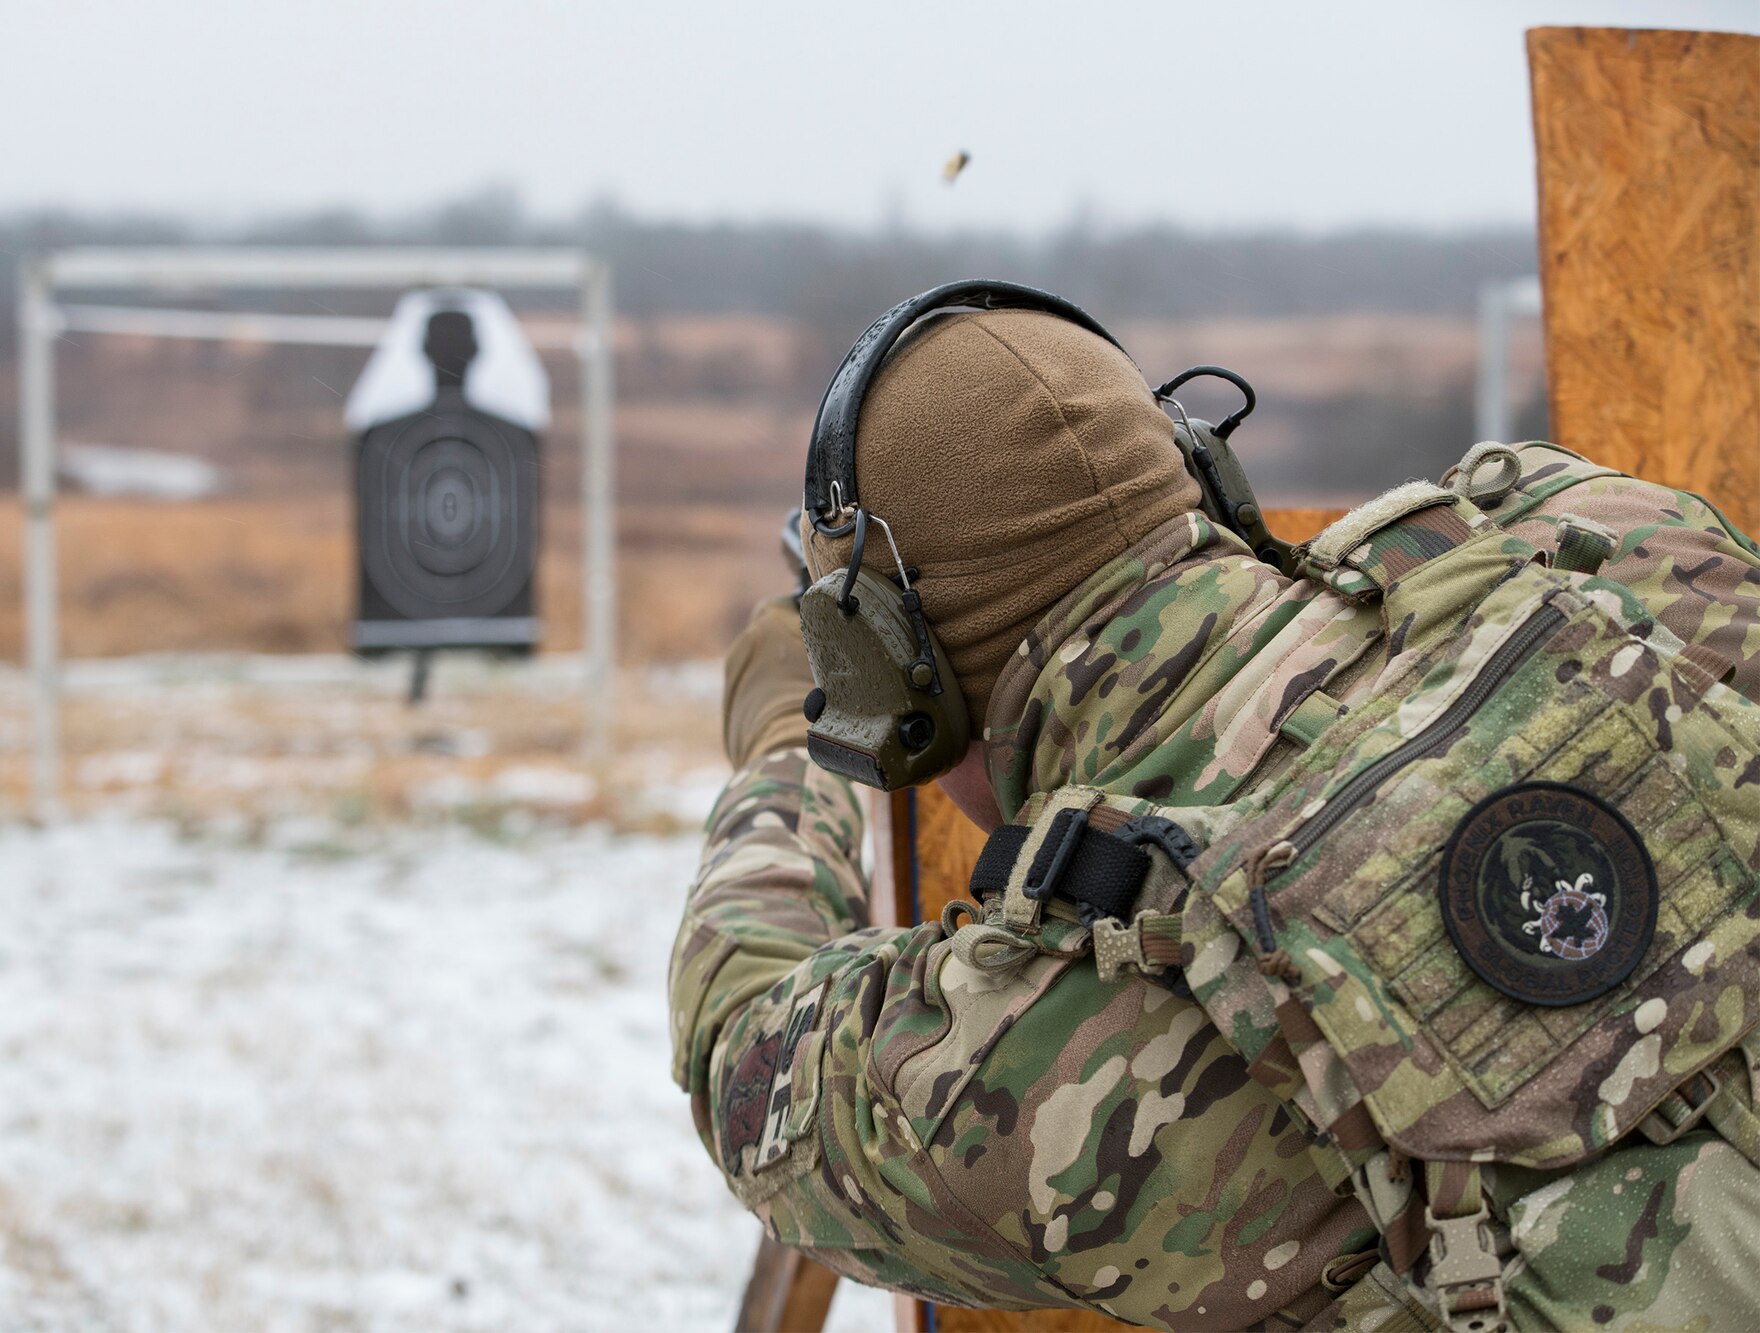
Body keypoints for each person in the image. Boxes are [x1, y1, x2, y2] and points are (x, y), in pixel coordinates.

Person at [669, 288, 1760, 1329]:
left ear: (895, 677)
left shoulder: (1051, 1055)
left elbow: (744, 1059)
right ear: (1201, 474)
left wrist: (782, 741)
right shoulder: (1607, 540)